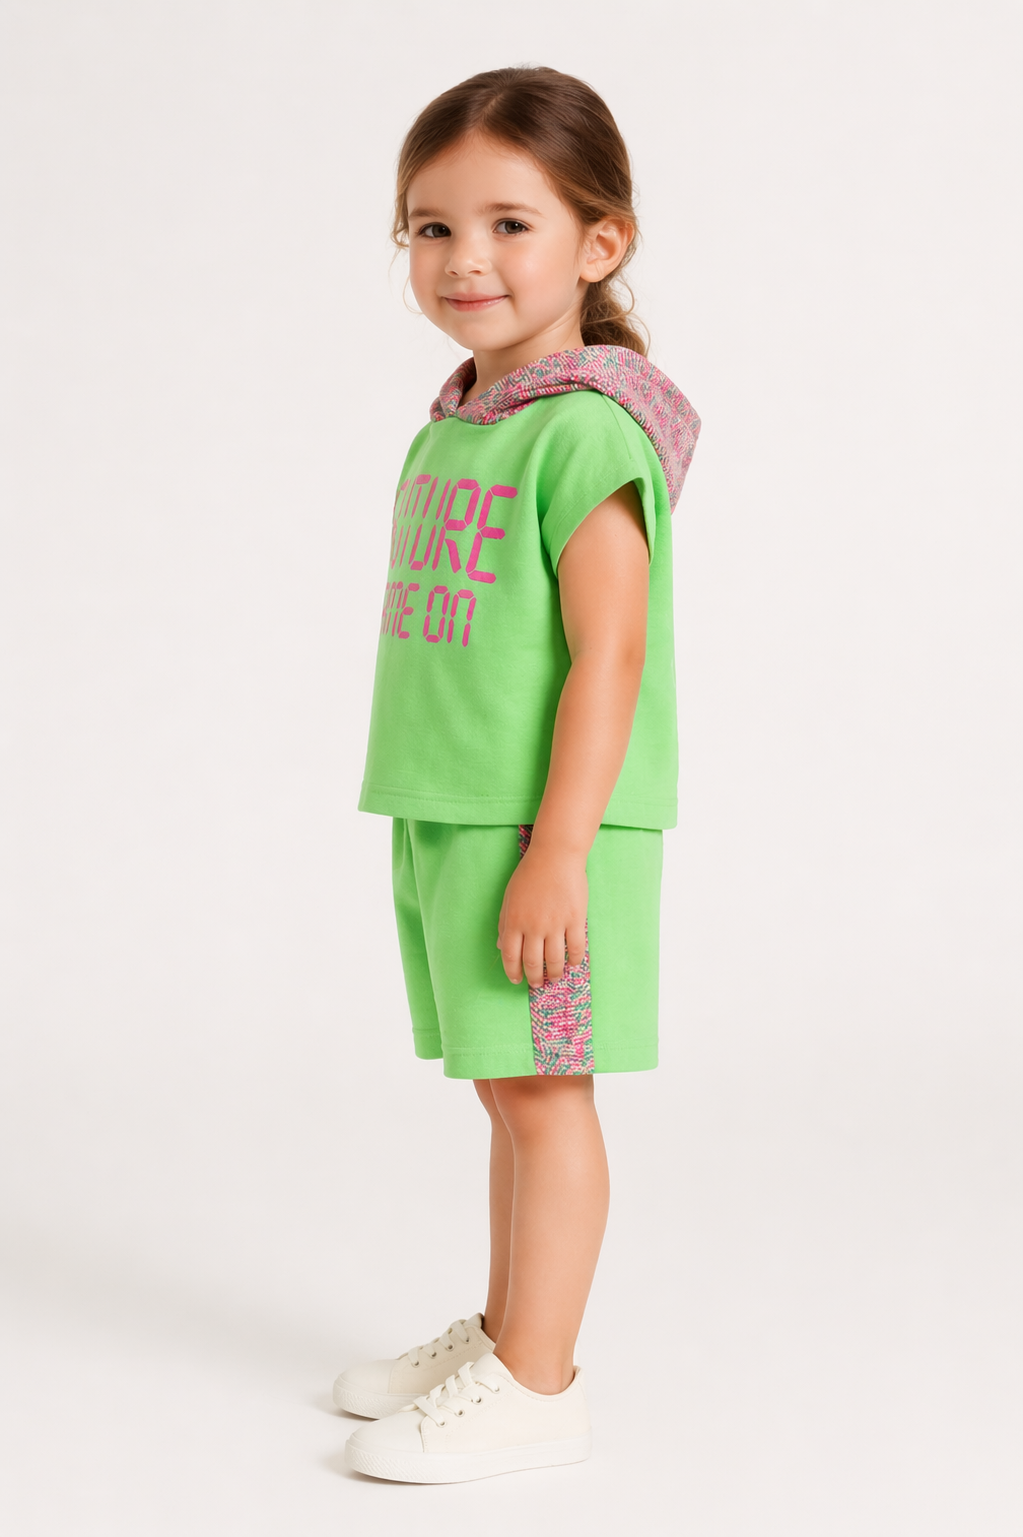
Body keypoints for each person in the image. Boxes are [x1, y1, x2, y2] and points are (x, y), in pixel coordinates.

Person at [338, 65, 700, 1484]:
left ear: (599, 244)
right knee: (506, 1086)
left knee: (547, 1097)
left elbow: (611, 655)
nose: (464, 259)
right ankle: (505, 1337)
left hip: (542, 827)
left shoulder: (586, 428)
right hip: (453, 811)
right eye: (432, 228)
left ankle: (538, 1386)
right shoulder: (463, 418)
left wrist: (558, 851)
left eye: (508, 224)